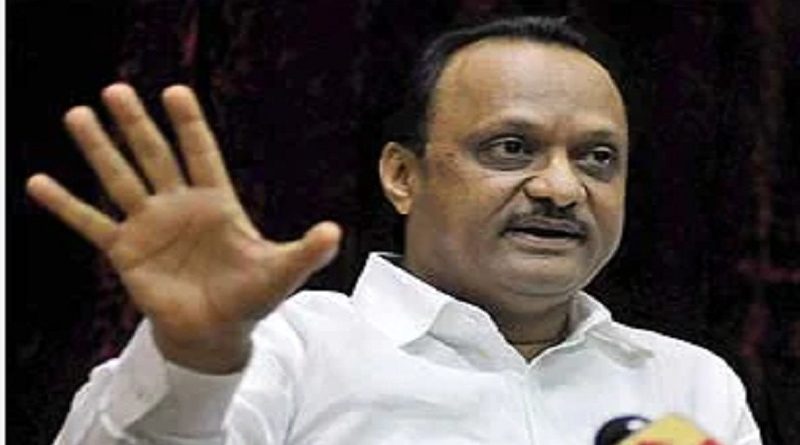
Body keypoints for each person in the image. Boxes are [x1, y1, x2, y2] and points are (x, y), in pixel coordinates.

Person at [28, 16, 761, 444]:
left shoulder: (690, 383)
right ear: (402, 175)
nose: (561, 189)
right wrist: (194, 355)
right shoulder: (289, 348)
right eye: (511, 148)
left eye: (597, 158)